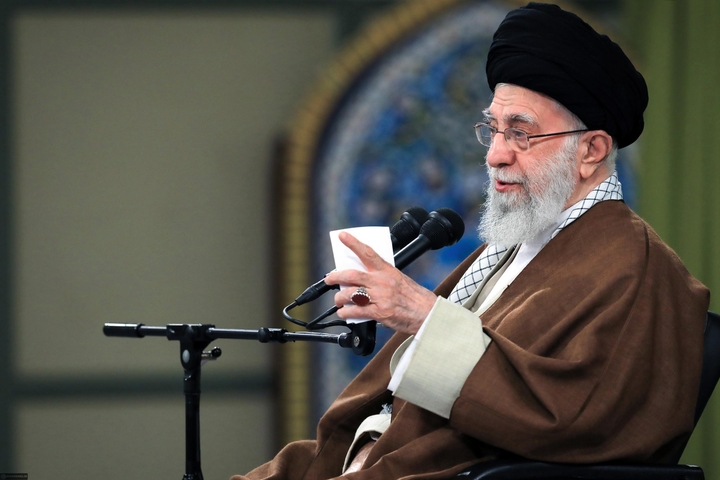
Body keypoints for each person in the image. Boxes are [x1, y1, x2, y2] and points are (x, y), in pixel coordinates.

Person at [231, 3, 710, 479]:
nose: (496, 155)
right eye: (493, 130)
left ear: (592, 150)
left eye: (521, 134)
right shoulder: (513, 246)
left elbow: (577, 422)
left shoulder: (634, 267)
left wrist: (421, 315)